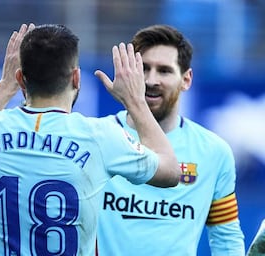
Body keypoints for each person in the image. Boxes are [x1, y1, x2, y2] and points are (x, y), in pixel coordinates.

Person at [0, 23, 181, 256]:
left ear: (21, 79)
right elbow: (170, 172)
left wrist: (4, 87)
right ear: (76, 78)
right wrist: (135, 101)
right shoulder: (100, 136)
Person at [96, 25, 245, 256]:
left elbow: (226, 237)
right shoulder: (99, 138)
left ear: (186, 79)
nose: (151, 79)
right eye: (143, 68)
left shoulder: (214, 152)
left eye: (164, 71)